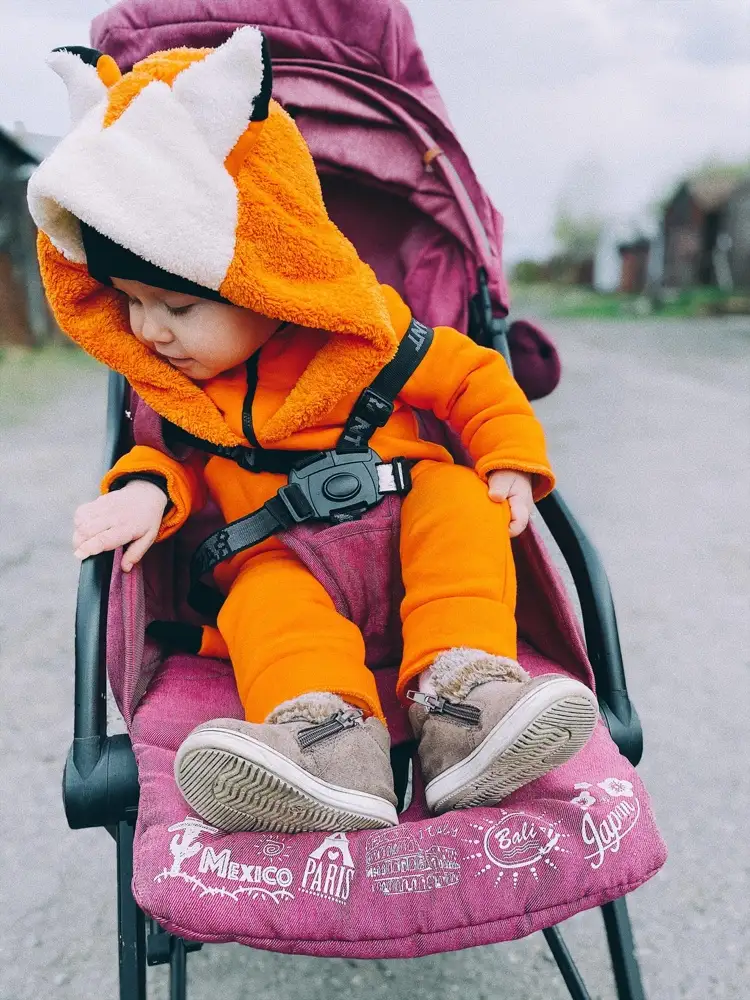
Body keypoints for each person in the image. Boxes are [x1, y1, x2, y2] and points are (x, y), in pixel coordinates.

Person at [29, 28, 597, 835]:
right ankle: (328, 749)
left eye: (179, 307)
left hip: (411, 545)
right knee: (259, 599)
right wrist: (145, 492)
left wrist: (507, 458)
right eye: (130, 304)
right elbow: (166, 459)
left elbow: (473, 375)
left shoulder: (372, 341)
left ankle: (465, 703)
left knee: (461, 505)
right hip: (283, 554)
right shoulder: (185, 394)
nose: (150, 331)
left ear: (263, 281)